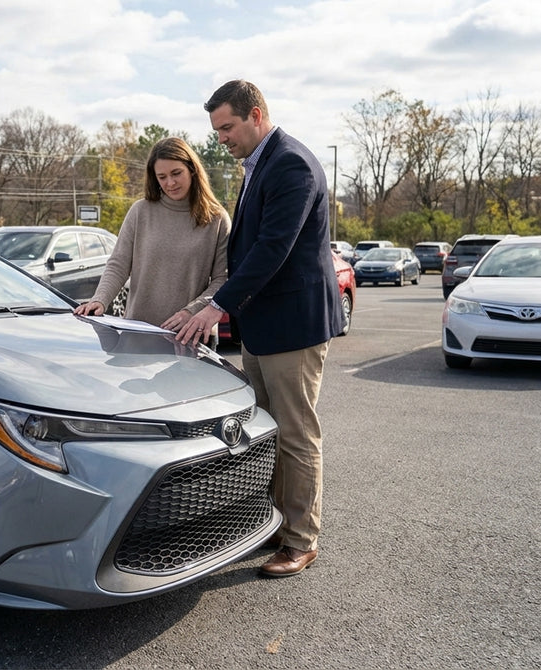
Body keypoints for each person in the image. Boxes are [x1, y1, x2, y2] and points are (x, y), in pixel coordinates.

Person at [177, 79, 343, 578]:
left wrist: (216, 307)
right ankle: (271, 526)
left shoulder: (290, 163)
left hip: (293, 327)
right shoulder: (258, 164)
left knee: (294, 434)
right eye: (216, 129)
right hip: (265, 326)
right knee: (266, 431)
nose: (221, 138)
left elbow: (273, 249)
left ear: (256, 114)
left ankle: (300, 539)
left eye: (227, 127)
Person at [73, 136, 230, 340]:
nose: (170, 183)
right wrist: (100, 299)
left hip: (190, 337)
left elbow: (222, 279)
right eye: (162, 177)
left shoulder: (217, 219)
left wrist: (191, 311)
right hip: (138, 333)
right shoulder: (141, 211)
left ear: (192, 170)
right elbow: (118, 264)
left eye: (176, 173)